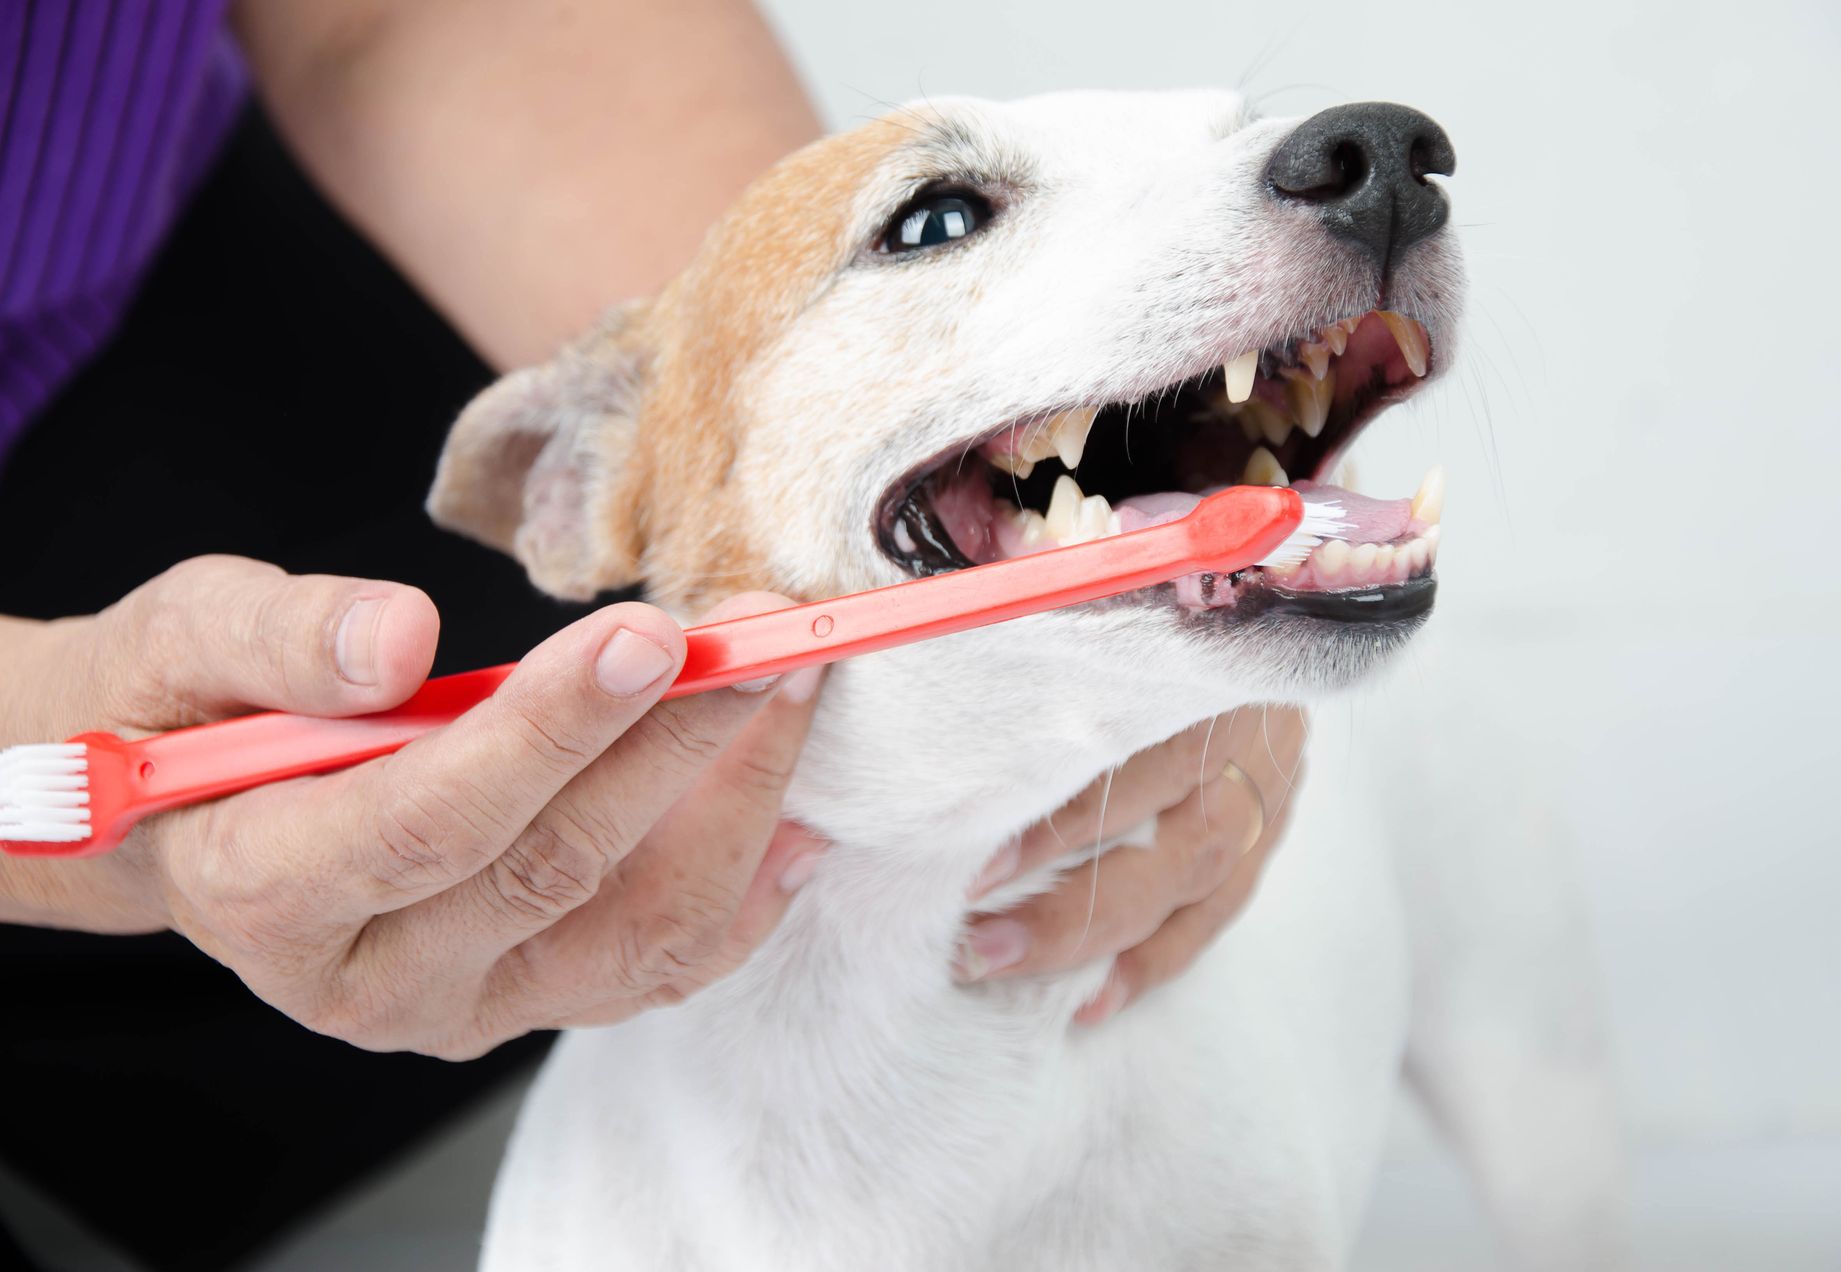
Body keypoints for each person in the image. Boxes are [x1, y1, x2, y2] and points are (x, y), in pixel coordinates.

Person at [0, 1, 1307, 1265]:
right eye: (945, 222)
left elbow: (395, 15)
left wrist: (740, 396)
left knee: (578, 743)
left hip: (135, 270)